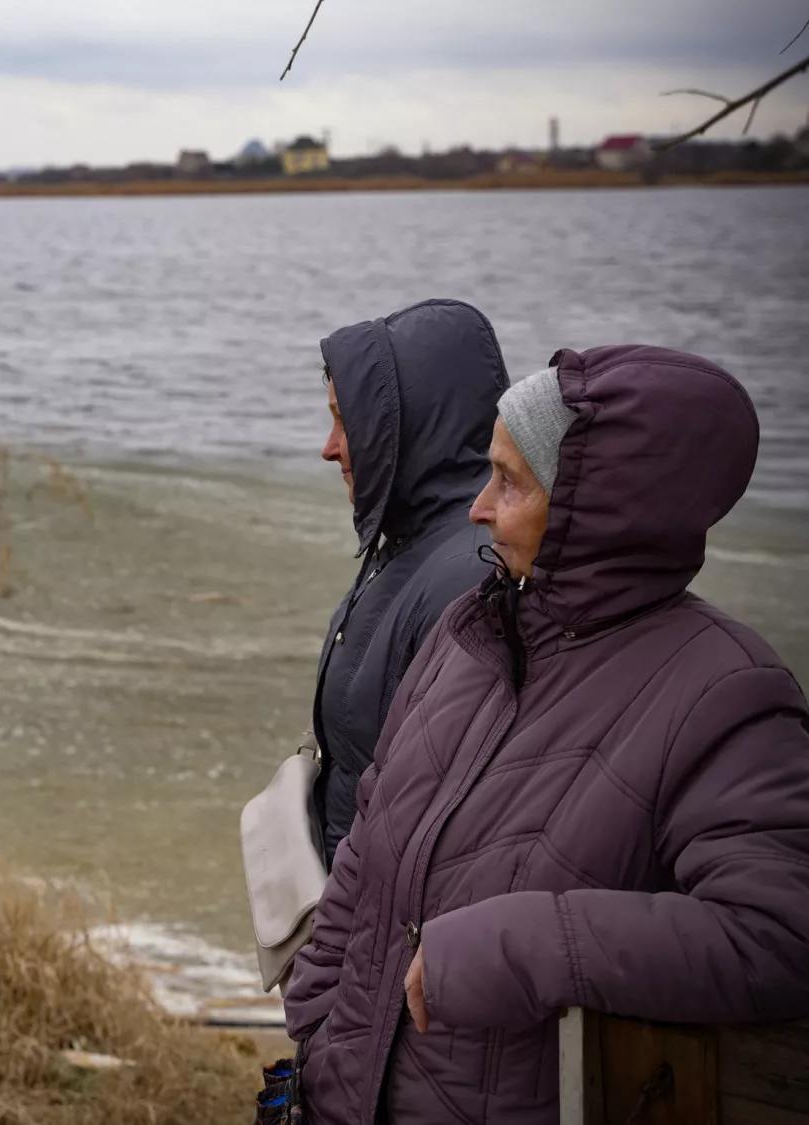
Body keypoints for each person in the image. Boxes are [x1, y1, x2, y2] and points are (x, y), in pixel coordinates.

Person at [282, 348, 809, 1123]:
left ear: (598, 506)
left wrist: (527, 942)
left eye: (511, 481)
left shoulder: (727, 692)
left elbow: (778, 933)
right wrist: (316, 1015)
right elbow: (370, 841)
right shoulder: (469, 633)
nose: (477, 508)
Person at [311, 299, 508, 865]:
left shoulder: (471, 574)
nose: (328, 448)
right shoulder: (405, 543)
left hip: (383, 933)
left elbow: (454, 827)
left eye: (346, 423)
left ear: (406, 426)